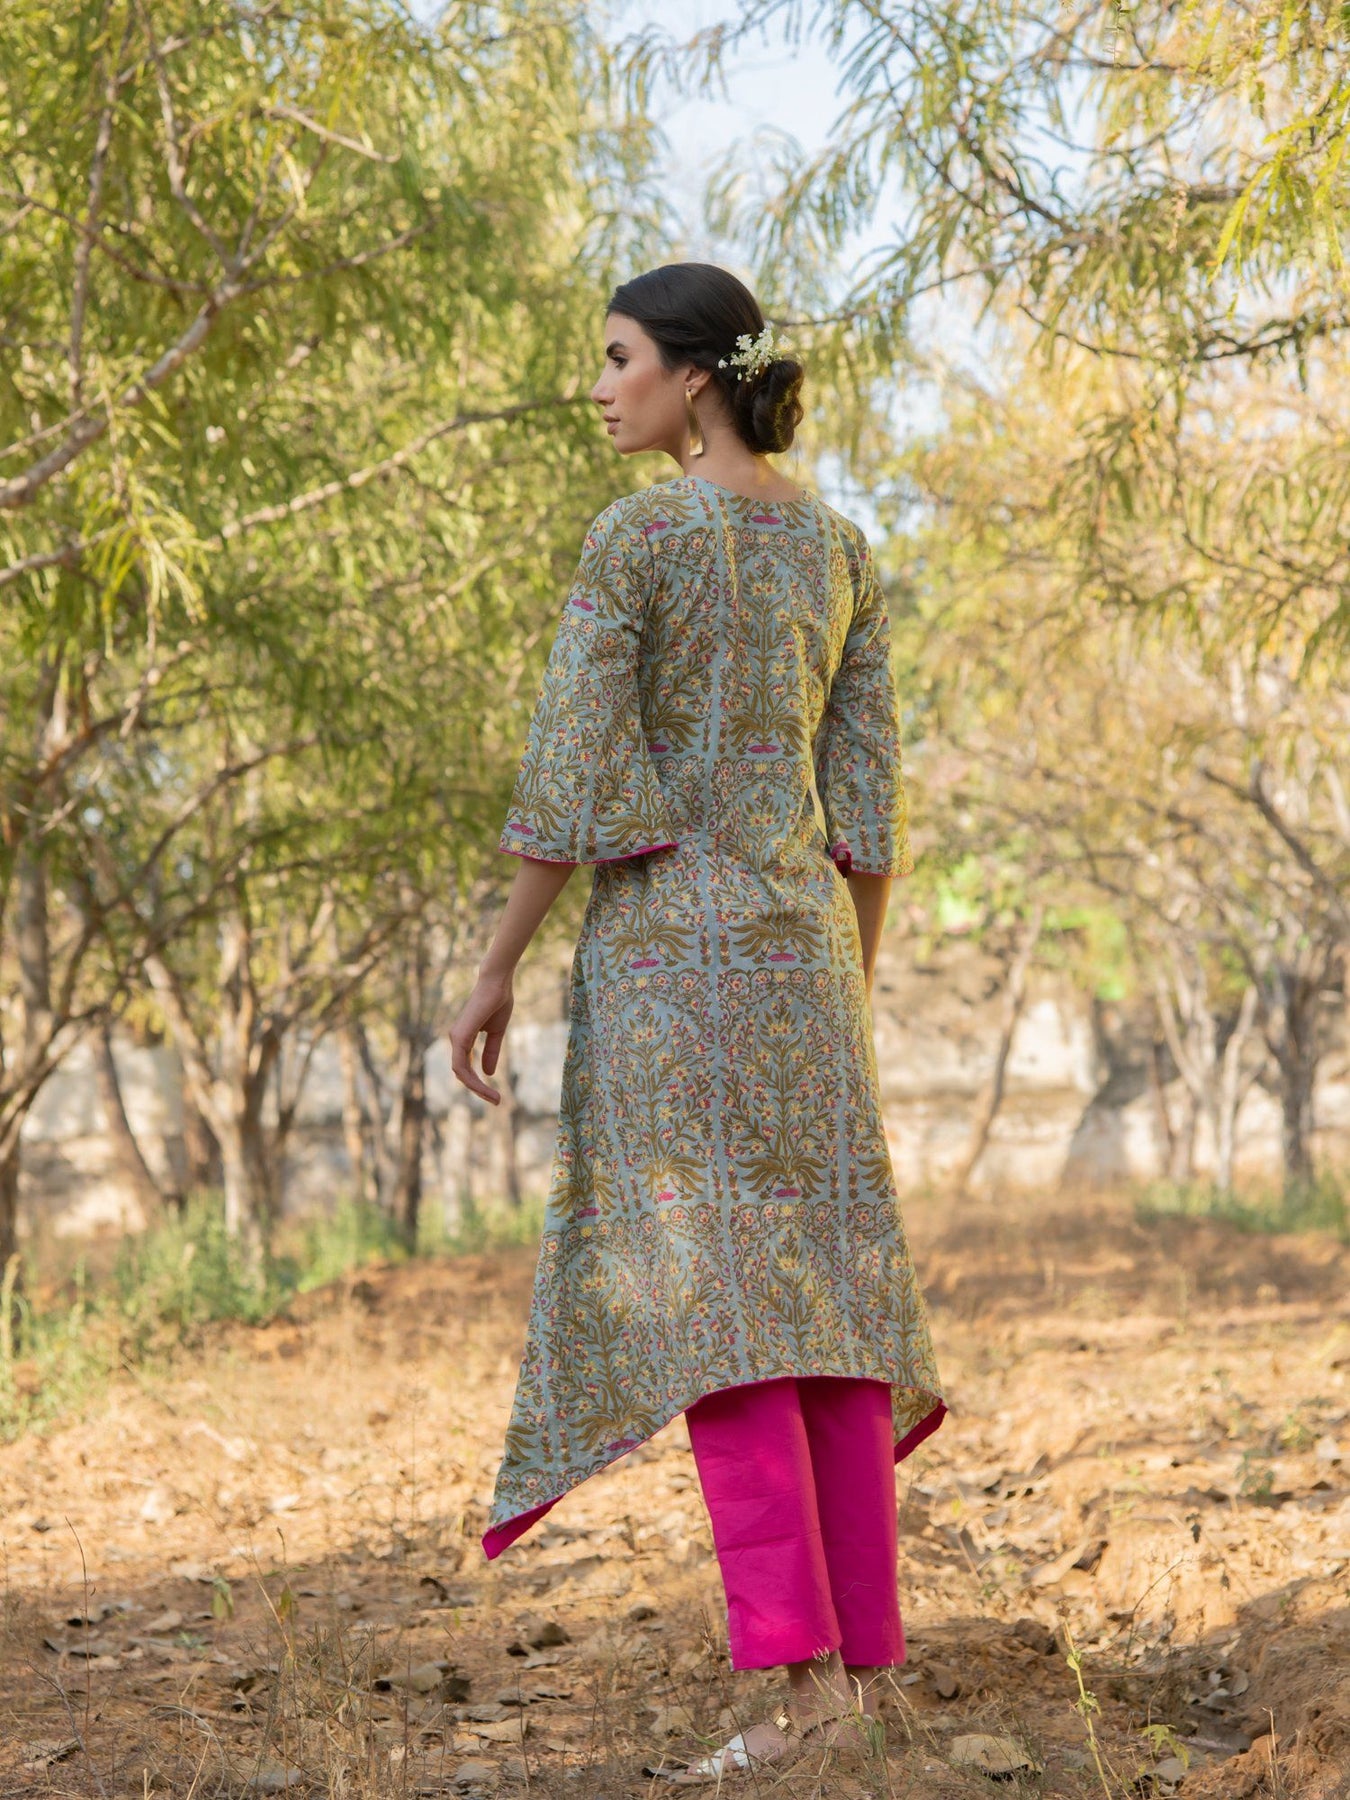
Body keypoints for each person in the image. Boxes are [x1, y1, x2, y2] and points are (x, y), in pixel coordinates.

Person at [448, 261, 945, 1782]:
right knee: (822, 1315)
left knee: (719, 1323)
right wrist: (848, 983)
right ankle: (853, 1684)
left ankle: (796, 1693)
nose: (600, 388)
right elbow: (867, 807)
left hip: (669, 969)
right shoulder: (842, 549)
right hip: (805, 965)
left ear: (696, 376)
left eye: (619, 359)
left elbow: (567, 765)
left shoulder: (640, 536)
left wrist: (495, 964)